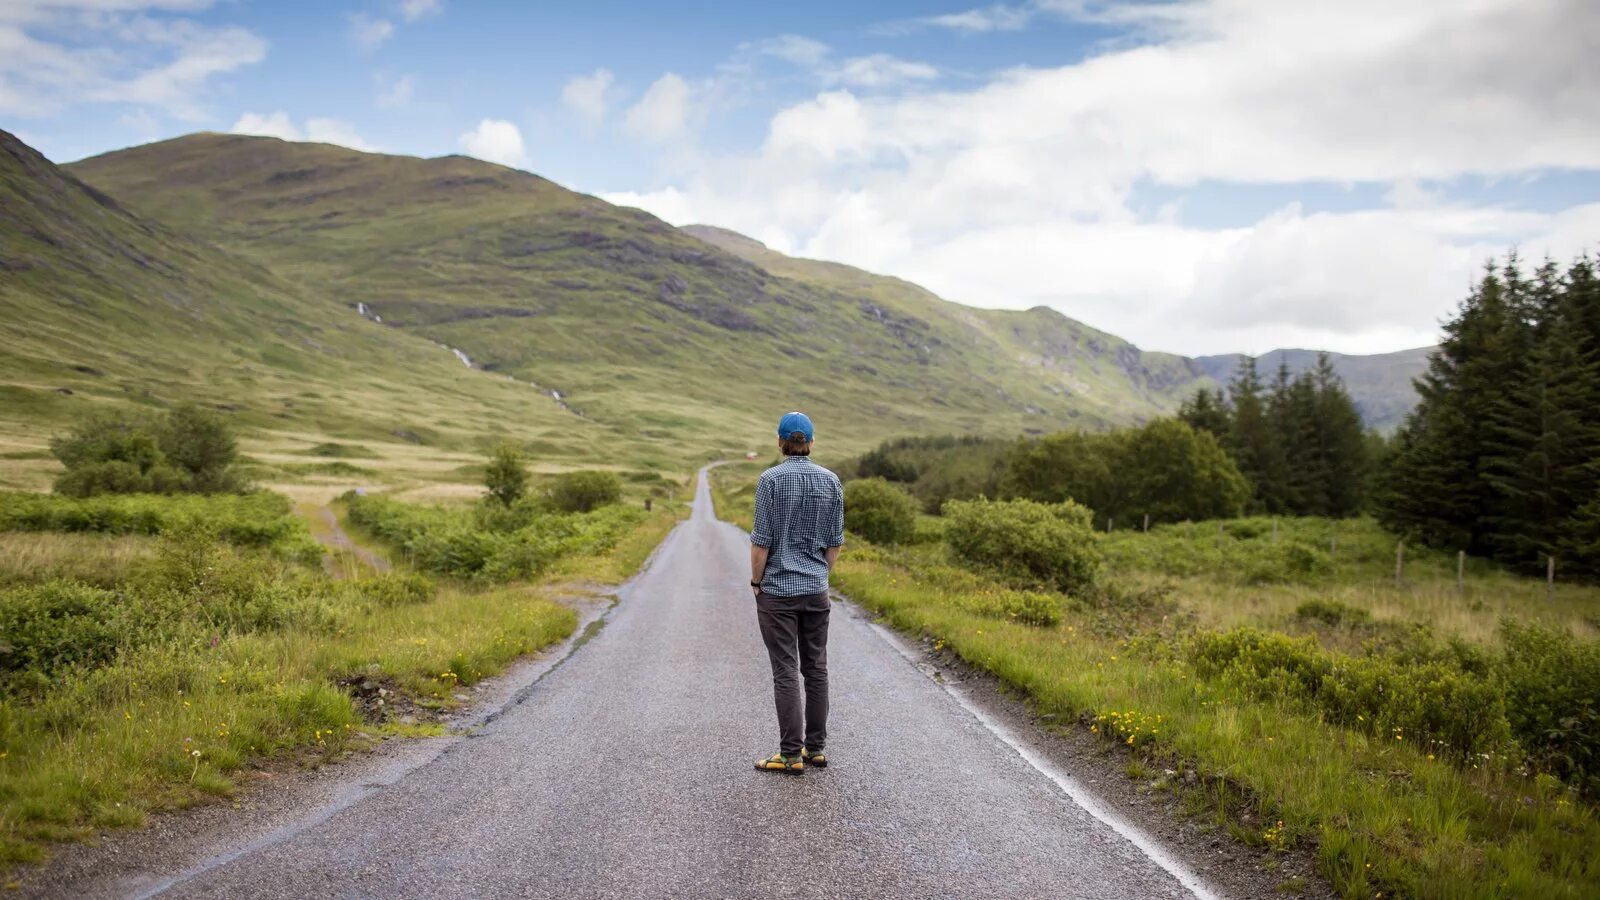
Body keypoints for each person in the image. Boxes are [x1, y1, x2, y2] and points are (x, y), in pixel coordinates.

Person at [749, 411, 845, 776]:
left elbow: (761, 543)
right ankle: (815, 749)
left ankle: (789, 755)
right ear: (811, 442)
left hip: (777, 591)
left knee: (786, 670)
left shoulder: (770, 480)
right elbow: (834, 544)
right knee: (816, 669)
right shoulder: (832, 481)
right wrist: (819, 575)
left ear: (779, 442)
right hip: (815, 589)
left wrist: (757, 582)